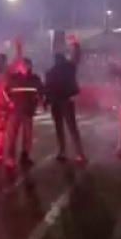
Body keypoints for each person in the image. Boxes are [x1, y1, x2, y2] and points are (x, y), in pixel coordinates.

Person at [44, 34, 85, 163]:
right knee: (71, 128)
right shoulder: (69, 67)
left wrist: (46, 101)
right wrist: (75, 44)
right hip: (65, 101)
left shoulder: (51, 71)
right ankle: (78, 153)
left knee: (60, 128)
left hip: (57, 102)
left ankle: (63, 151)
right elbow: (76, 57)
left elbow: (47, 88)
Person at [4, 43, 43, 170]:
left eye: (26, 65)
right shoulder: (13, 78)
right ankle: (10, 158)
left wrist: (38, 102)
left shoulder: (35, 78)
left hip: (28, 112)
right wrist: (9, 102)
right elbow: (5, 91)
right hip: (14, 112)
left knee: (27, 136)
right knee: (12, 136)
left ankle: (25, 157)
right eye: (22, 65)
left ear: (30, 66)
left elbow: (41, 92)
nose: (24, 67)